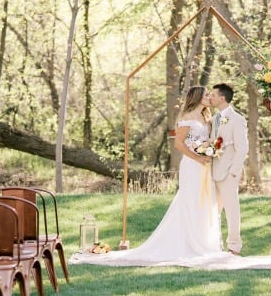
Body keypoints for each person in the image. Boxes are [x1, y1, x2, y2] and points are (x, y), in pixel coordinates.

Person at [96, 85, 227, 264]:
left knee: (206, 200)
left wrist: (209, 151)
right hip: (192, 164)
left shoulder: (207, 118)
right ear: (196, 97)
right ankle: (187, 242)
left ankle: (204, 240)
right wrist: (197, 157)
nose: (209, 97)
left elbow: (210, 139)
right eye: (205, 95)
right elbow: (179, 144)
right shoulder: (186, 118)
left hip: (205, 164)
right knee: (191, 199)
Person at [208, 82, 249, 255]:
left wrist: (234, 172)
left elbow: (242, 148)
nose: (210, 97)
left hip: (228, 173)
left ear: (222, 98)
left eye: (213, 95)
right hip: (212, 171)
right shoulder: (213, 119)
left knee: (232, 211)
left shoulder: (237, 119)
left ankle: (234, 246)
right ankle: (214, 244)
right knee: (212, 211)